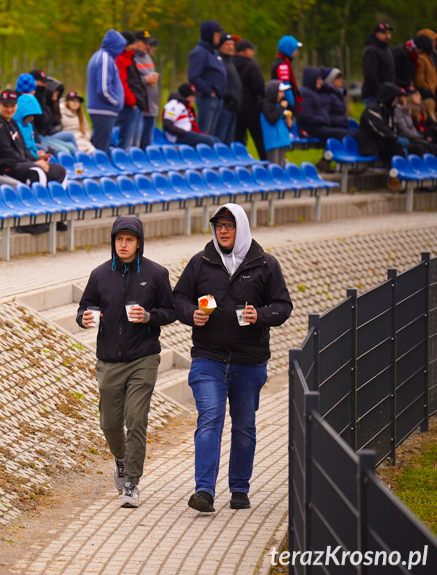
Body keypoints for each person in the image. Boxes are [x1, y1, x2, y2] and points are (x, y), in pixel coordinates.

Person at [174, 204, 292, 513]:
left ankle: (239, 487)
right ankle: (204, 491)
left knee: (243, 425)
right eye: (218, 225)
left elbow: (283, 305)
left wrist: (261, 315)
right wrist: (192, 314)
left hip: (249, 361)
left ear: (241, 227)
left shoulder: (265, 264)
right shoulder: (200, 263)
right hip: (208, 358)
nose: (223, 230)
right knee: (210, 418)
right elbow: (179, 298)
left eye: (229, 225)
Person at [77, 216, 175, 508]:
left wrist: (148, 316)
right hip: (108, 361)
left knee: (136, 420)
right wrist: (84, 318)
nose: (123, 244)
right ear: (113, 241)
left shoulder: (156, 274)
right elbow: (85, 307)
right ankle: (120, 460)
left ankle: (132, 483)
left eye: (129, 239)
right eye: (119, 239)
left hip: (143, 358)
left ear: (139, 243)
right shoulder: (99, 274)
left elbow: (169, 312)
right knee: (109, 424)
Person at [0, 90, 66, 185]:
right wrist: (33, 163)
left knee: (59, 170)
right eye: (6, 106)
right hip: (8, 165)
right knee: (37, 171)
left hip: (22, 162)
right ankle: (38, 199)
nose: (9, 109)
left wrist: (36, 160)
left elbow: (23, 148)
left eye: (12, 106)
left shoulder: (13, 123)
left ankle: (56, 199)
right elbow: (7, 153)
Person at [87, 30, 127, 151]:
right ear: (115, 45)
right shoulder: (104, 58)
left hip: (106, 111)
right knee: (101, 148)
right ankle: (99, 168)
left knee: (104, 146)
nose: (121, 51)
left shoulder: (106, 57)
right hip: (103, 111)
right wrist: (116, 102)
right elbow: (103, 88)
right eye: (120, 47)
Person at [188, 21, 227, 137]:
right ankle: (200, 155)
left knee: (212, 135)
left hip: (217, 99)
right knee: (204, 134)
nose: (219, 36)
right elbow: (193, 76)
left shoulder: (214, 52)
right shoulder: (199, 52)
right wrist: (210, 92)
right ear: (209, 34)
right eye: (217, 33)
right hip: (207, 99)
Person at [30, 70, 79, 155]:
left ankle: (79, 164)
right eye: (42, 82)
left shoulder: (45, 101)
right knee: (66, 150)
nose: (45, 86)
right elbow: (42, 122)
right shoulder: (33, 100)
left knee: (71, 145)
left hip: (45, 135)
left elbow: (52, 122)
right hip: (39, 137)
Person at [232, 39, 266, 160]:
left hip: (235, 107)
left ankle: (238, 163)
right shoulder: (251, 66)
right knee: (259, 138)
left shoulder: (230, 64)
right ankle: (266, 163)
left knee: (238, 139)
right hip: (251, 108)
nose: (252, 53)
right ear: (245, 51)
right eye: (251, 50)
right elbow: (259, 87)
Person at [297, 67, 350, 143]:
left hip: (317, 127)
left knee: (350, 133)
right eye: (319, 79)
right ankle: (339, 154)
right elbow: (304, 116)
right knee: (343, 134)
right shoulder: (305, 94)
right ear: (312, 79)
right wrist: (324, 120)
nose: (321, 81)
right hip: (309, 129)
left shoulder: (312, 93)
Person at [357, 82, 406, 162]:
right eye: (395, 97)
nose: (397, 100)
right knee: (395, 149)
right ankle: (397, 172)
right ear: (389, 97)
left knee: (417, 148)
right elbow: (381, 130)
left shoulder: (389, 110)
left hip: (386, 142)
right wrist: (396, 138)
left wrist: (401, 136)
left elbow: (396, 127)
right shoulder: (371, 110)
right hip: (371, 145)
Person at [114, 32, 144, 150]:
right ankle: (123, 164)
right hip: (129, 106)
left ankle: (133, 164)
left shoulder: (131, 59)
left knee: (135, 143)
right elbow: (122, 83)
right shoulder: (120, 60)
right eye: (132, 44)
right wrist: (132, 101)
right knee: (127, 141)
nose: (134, 47)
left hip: (136, 104)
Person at [132, 30, 160, 147]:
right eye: (145, 43)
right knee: (137, 143)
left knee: (147, 143)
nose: (148, 46)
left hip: (151, 106)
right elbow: (131, 80)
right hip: (140, 106)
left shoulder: (147, 56)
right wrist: (145, 80)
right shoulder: (132, 58)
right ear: (136, 43)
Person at [216, 33, 242, 145]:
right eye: (227, 44)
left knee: (229, 141)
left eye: (232, 44)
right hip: (224, 106)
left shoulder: (230, 61)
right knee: (220, 139)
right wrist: (229, 96)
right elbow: (217, 83)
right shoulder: (218, 61)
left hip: (233, 108)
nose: (230, 47)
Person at [260, 81, 294, 165]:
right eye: (280, 92)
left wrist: (288, 122)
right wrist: (282, 107)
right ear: (273, 92)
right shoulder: (266, 105)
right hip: (273, 142)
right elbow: (272, 119)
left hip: (282, 140)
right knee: (274, 165)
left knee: (281, 165)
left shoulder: (278, 105)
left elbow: (280, 121)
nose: (283, 95)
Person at [395, 87, 437, 155]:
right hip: (409, 138)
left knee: (432, 147)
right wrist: (421, 136)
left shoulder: (413, 110)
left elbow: (413, 127)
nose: (420, 97)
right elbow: (404, 129)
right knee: (423, 148)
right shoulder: (401, 110)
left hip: (418, 136)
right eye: (416, 95)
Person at [362, 23, 395, 105]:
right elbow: (370, 73)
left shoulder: (386, 50)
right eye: (384, 33)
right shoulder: (371, 50)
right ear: (376, 34)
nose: (387, 36)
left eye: (388, 33)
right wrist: (380, 90)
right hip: (374, 95)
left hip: (387, 93)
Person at [319, 68, 357, 138]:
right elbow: (326, 117)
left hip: (342, 126)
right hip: (335, 128)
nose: (341, 81)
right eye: (337, 78)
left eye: (341, 78)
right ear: (330, 80)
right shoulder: (326, 95)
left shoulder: (338, 94)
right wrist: (342, 121)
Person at [270, 36, 303, 112]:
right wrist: (293, 106)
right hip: (284, 105)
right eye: (295, 49)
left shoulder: (282, 62)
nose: (296, 51)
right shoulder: (283, 65)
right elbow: (286, 88)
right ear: (289, 49)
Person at [414, 29, 437, 122]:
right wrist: (430, 90)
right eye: (433, 41)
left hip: (433, 92)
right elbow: (419, 81)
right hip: (428, 95)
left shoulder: (431, 56)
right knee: (430, 119)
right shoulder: (421, 58)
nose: (435, 43)